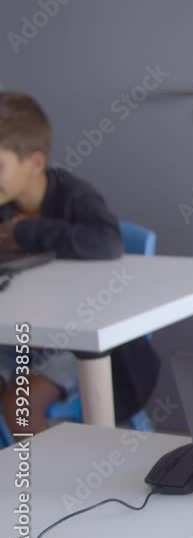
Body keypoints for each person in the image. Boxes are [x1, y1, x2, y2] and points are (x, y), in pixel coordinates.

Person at [0, 92, 124, 435]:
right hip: (15, 337)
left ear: (35, 163)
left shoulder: (73, 196)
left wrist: (26, 231)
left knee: (19, 405)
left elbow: (107, 242)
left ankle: (36, 484)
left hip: (72, 343)